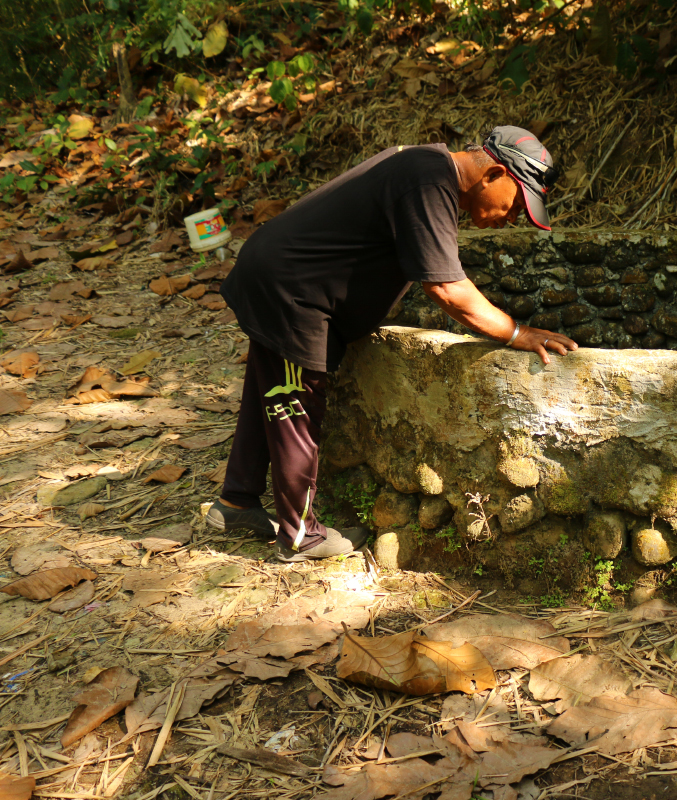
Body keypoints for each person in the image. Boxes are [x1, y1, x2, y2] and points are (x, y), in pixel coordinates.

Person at [203, 126, 577, 562]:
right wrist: (518, 333)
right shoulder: (429, 179)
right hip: (292, 290)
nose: (514, 217)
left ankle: (236, 503)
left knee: (269, 390)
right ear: (495, 173)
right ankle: (300, 533)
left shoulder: (425, 167)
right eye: (518, 203)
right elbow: (448, 289)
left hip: (281, 275)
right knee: (295, 404)